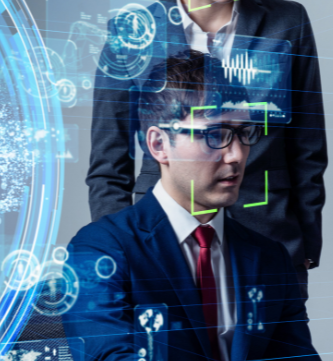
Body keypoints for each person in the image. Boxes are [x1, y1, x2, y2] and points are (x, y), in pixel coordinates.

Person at [65, 51, 319, 361]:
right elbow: (109, 356)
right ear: (159, 144)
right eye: (216, 135)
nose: (237, 155)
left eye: (245, 133)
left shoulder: (271, 258)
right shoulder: (99, 250)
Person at [86, 0, 328, 283]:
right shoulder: (132, 33)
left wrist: (306, 244)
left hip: (269, 232)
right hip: (161, 242)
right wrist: (119, 250)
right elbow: (109, 163)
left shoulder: (287, 21)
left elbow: (307, 146)